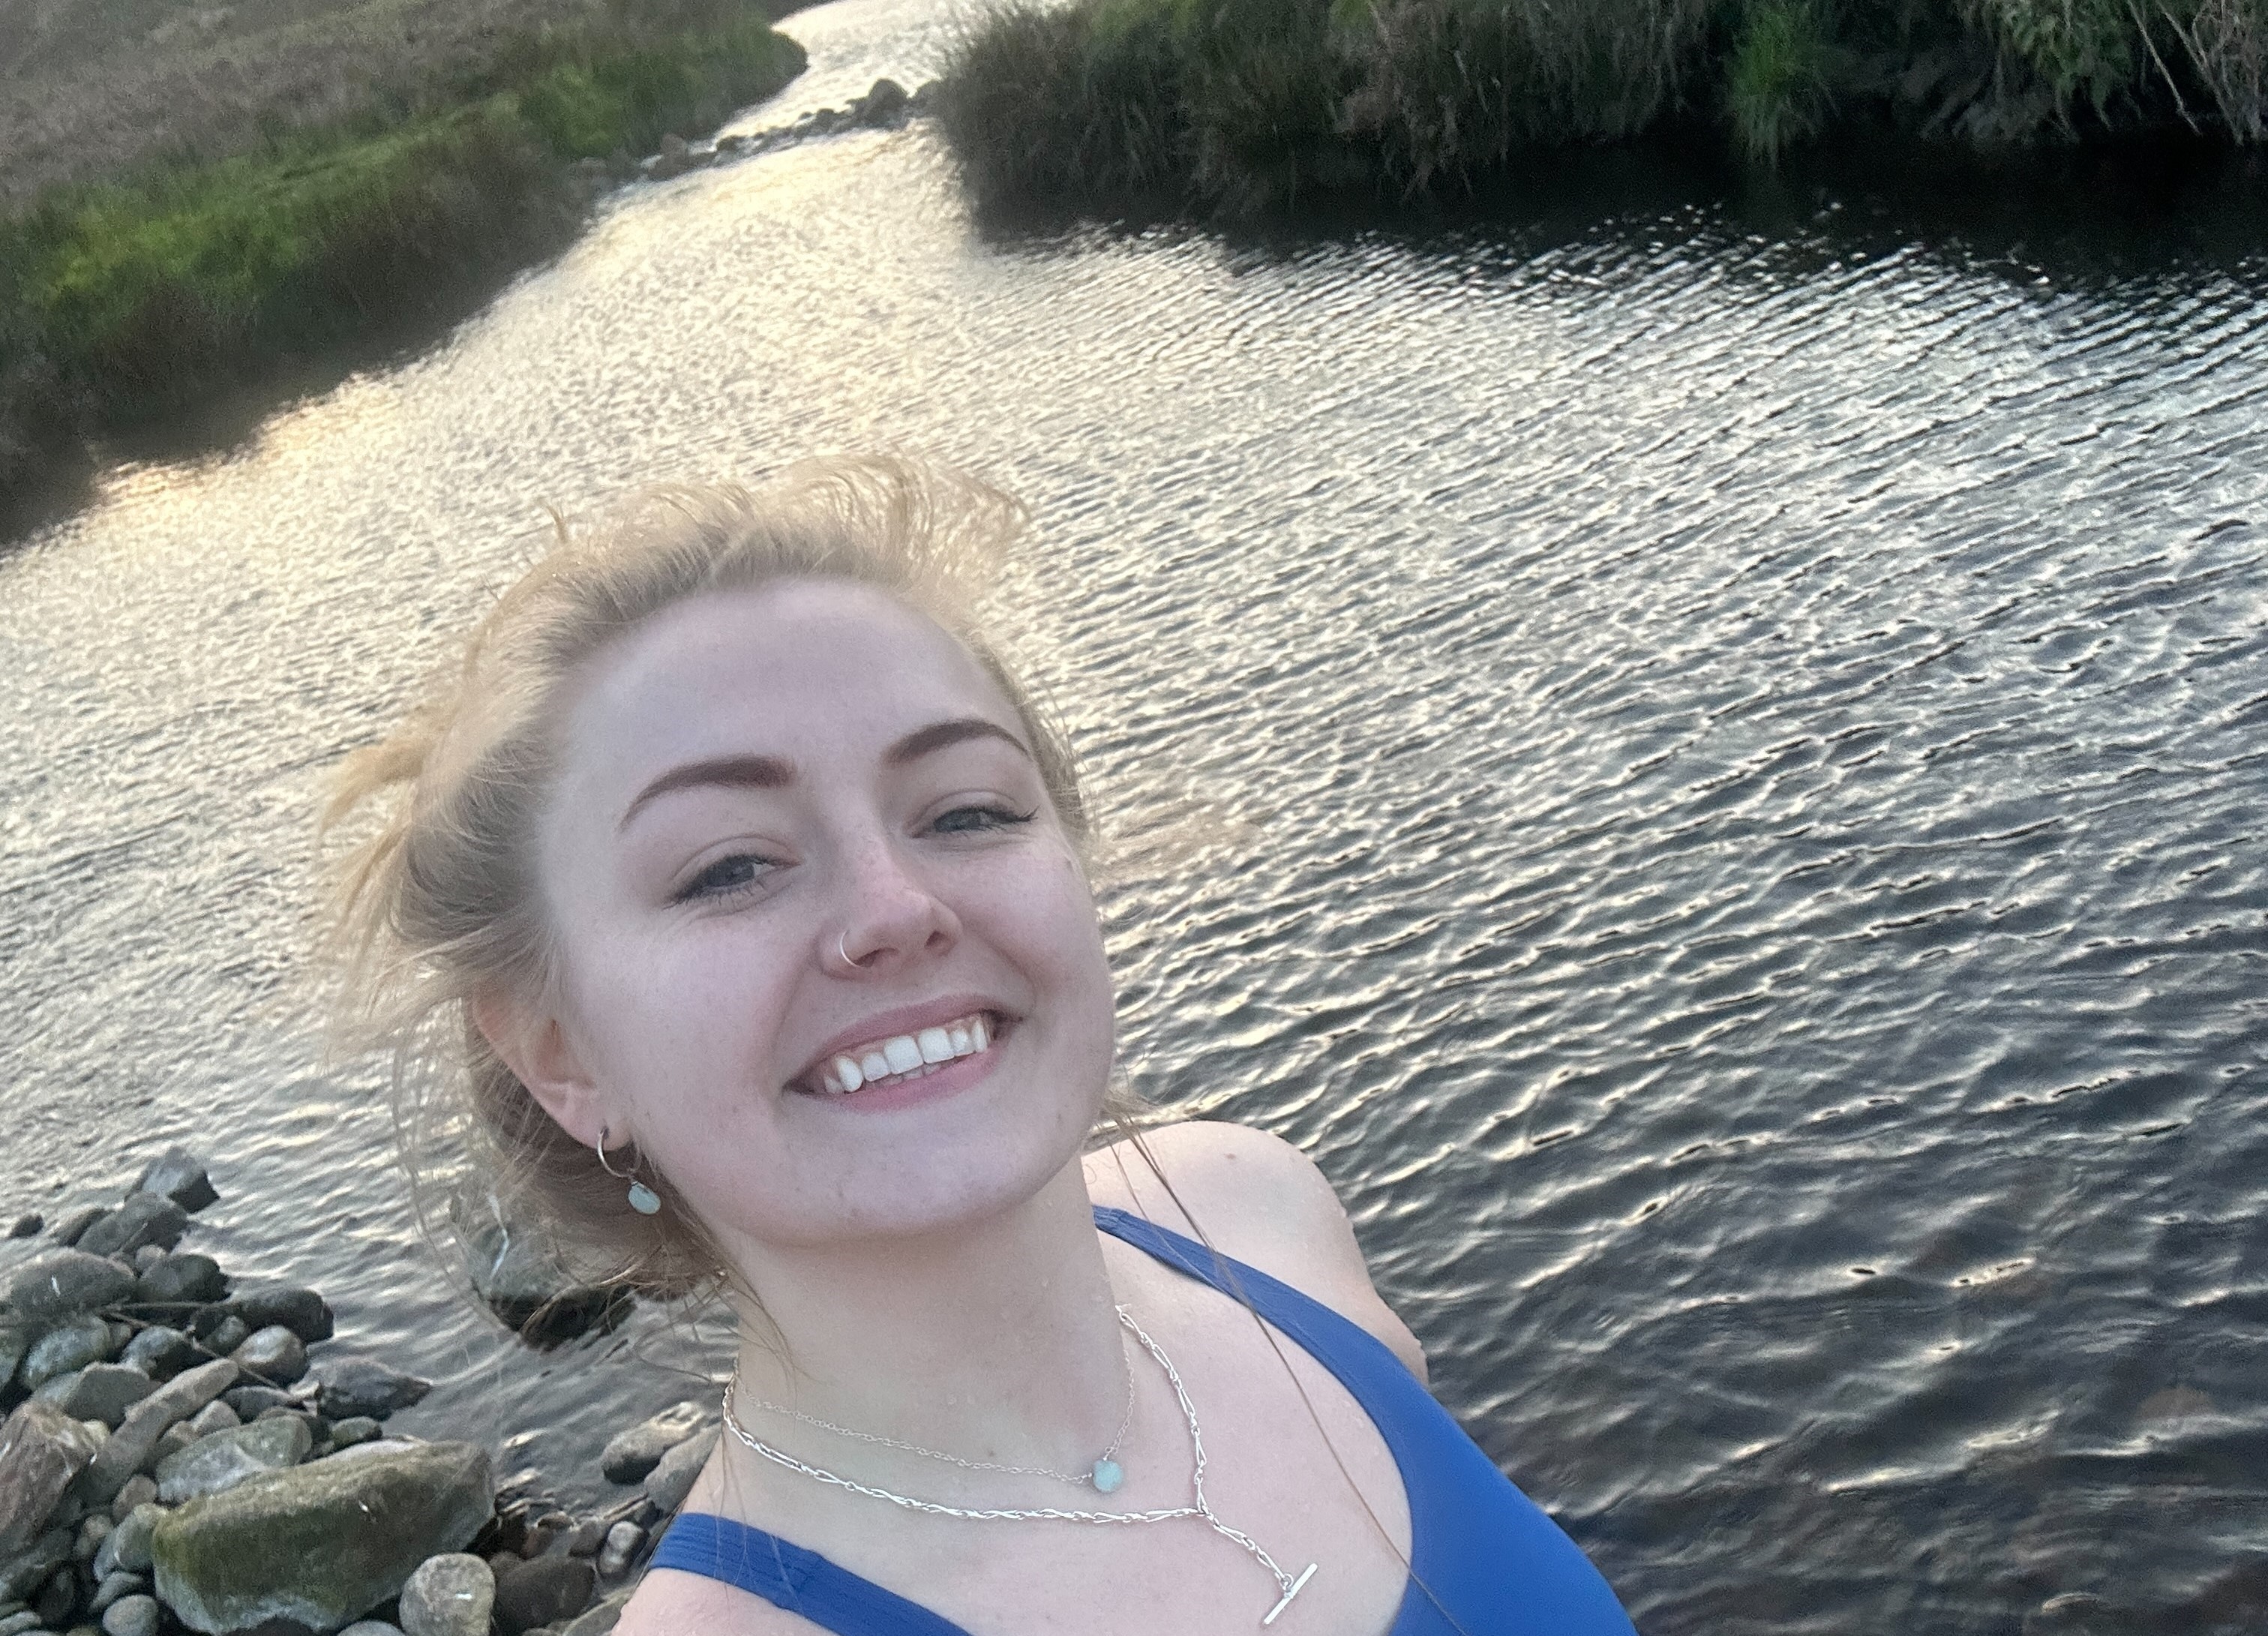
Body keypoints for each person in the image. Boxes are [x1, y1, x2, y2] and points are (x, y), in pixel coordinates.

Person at [325, 458, 1636, 1635]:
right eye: (728, 867)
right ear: (562, 1052)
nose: (897, 908)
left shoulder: (1259, 1215)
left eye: (965, 809)